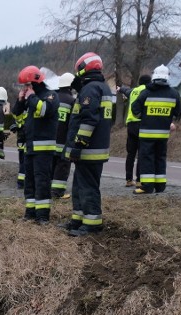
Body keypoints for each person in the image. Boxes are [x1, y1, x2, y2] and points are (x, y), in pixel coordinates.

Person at [62, 52, 115, 237]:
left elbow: (88, 120)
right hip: (94, 148)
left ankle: (92, 223)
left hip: (88, 149)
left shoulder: (91, 89)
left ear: (83, 69)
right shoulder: (102, 88)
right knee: (79, 185)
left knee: (88, 187)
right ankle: (78, 220)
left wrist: (78, 144)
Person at [131, 65, 181, 194]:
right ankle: (160, 185)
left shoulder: (146, 93)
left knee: (147, 158)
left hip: (147, 134)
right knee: (160, 158)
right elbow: (177, 112)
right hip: (163, 134)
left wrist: (144, 116)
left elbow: (135, 108)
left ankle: (147, 186)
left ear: (154, 77)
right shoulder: (174, 93)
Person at [18, 65, 59, 224]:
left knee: (42, 182)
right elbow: (16, 112)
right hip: (30, 148)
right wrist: (21, 100)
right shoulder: (30, 98)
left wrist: (31, 97)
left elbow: (44, 110)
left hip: (44, 148)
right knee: (29, 182)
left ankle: (42, 216)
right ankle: (30, 213)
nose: (25, 88)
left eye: (27, 85)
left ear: (35, 83)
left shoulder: (51, 96)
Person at [117, 74, 151, 188]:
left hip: (130, 125)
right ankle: (139, 180)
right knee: (141, 153)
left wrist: (120, 88)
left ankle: (128, 179)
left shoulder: (134, 91)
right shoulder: (148, 91)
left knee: (131, 153)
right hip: (141, 123)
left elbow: (126, 90)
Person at [51, 72, 76, 200]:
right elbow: (73, 123)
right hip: (64, 141)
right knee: (63, 166)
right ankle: (58, 191)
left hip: (50, 141)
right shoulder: (72, 101)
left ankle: (49, 189)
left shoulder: (51, 98)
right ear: (71, 86)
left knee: (51, 165)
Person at [10, 86, 29, 191]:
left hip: (22, 138)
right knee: (24, 161)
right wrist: (14, 125)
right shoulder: (24, 105)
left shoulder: (20, 105)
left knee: (23, 162)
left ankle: (21, 183)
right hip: (24, 138)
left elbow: (16, 116)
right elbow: (16, 117)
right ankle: (22, 183)